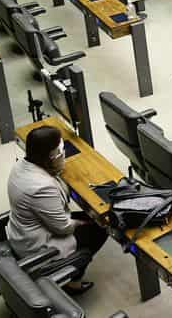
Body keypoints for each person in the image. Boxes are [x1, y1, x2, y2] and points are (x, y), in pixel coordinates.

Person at [7, 125, 107, 295]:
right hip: (38, 245)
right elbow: (63, 227)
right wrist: (80, 222)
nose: (64, 155)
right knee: (102, 225)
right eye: (61, 151)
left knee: (89, 218)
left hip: (24, 231)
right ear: (51, 157)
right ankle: (73, 282)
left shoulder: (21, 167)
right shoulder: (41, 188)